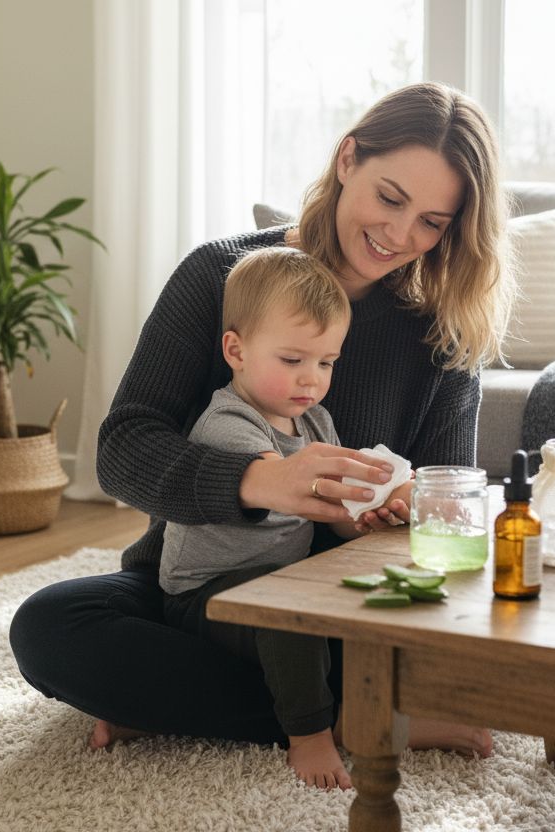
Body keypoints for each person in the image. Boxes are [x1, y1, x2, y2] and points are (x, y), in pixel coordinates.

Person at [10, 82, 515, 764]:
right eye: (390, 198)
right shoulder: (220, 275)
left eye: (431, 221)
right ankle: (354, 719)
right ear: (347, 161)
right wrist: (261, 481)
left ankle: (179, 704)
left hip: (344, 602)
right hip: (200, 587)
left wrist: (408, 506)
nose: (399, 235)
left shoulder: (441, 328)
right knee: (50, 627)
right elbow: (124, 449)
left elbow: (445, 505)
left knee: (484, 644)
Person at [162, 246, 404, 790]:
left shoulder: (314, 420)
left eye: (326, 363)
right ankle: (312, 734)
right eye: (292, 361)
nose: (311, 380)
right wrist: (348, 485)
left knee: (372, 607)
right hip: (204, 594)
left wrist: (367, 516)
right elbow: (284, 482)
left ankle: (392, 712)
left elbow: (331, 516)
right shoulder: (227, 423)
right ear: (236, 349)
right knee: (289, 617)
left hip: (279, 580)